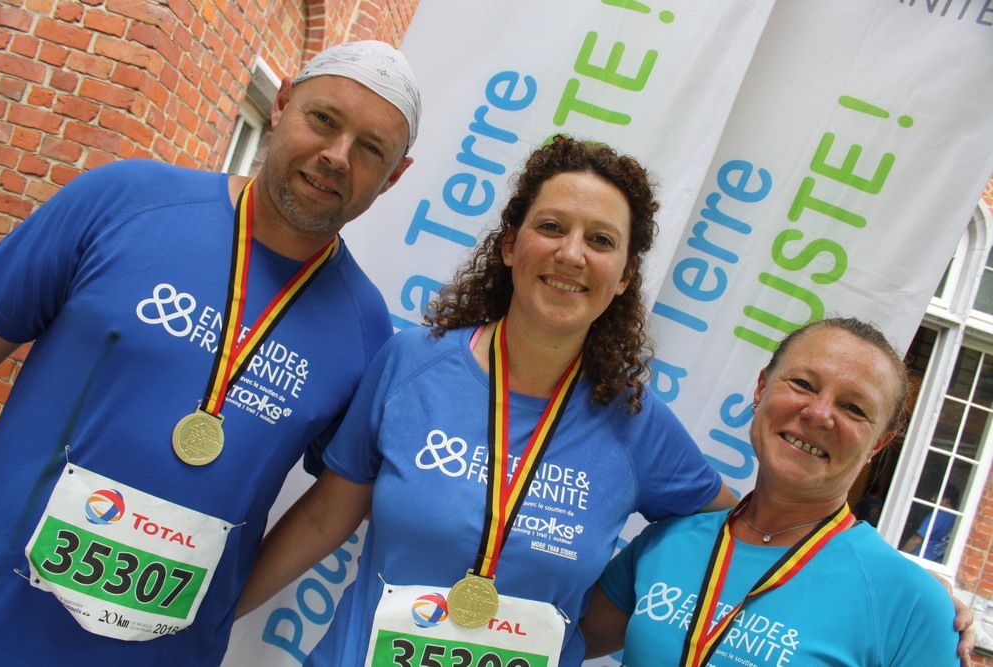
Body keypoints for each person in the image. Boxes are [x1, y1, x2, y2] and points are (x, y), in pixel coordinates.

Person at [0, 40, 420, 666]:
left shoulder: (366, 330)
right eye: (324, 119)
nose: (337, 155)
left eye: (370, 148)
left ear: (394, 177)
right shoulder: (126, 201)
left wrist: (219, 608)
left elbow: (333, 508)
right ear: (281, 105)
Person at [236, 134, 737, 665]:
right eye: (551, 227)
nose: (571, 254)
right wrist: (213, 618)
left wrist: (593, 627)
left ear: (624, 276)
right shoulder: (411, 364)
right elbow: (323, 520)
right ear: (510, 245)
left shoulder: (635, 423)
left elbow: (733, 534)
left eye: (600, 240)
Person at [582, 318, 966, 666]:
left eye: (853, 408)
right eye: (803, 385)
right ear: (761, 388)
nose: (819, 414)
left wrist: (928, 607)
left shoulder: (913, 607)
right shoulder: (667, 542)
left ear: (878, 444)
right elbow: (558, 636)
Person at [901, 485, 961, 563]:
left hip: (917, 560)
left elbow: (916, 540)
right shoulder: (956, 519)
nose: (932, 499)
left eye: (936, 496)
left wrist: (901, 555)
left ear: (947, 500)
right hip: (934, 564)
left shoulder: (937, 515)